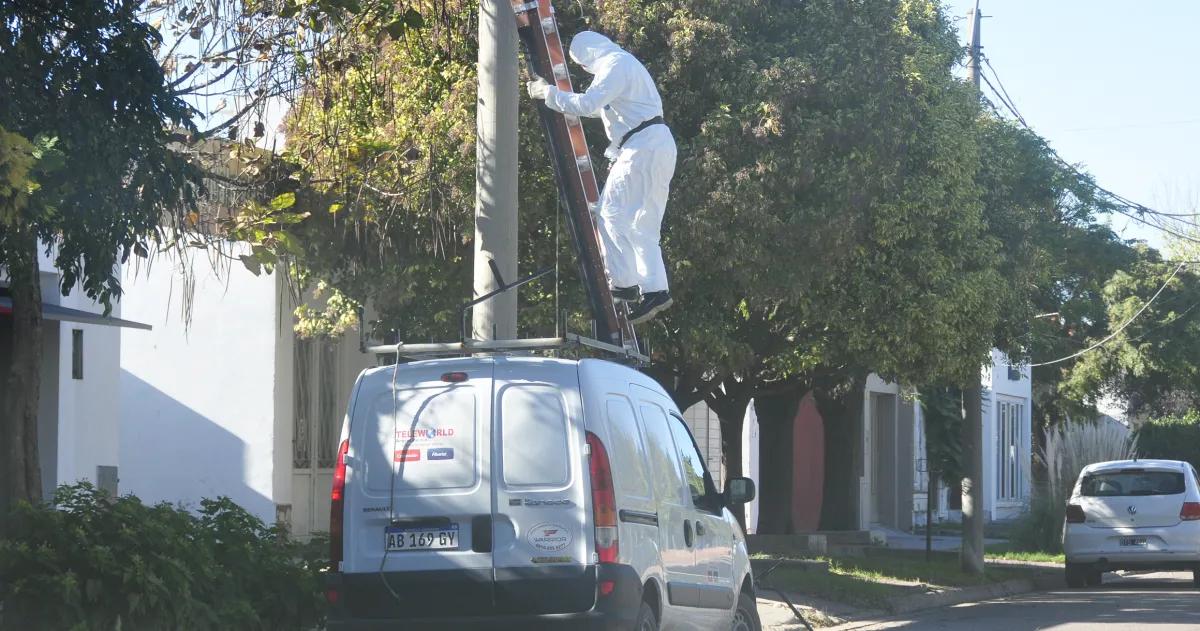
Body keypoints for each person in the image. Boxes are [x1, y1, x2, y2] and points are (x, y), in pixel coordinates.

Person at [527, 31, 676, 325]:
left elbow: (587, 105)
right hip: (657, 145)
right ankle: (656, 291)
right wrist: (560, 97)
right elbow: (600, 108)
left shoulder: (613, 64)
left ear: (588, 56)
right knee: (642, 225)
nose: (584, 69)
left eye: (582, 64)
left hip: (641, 147)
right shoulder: (626, 65)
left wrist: (548, 93)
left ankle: (624, 284)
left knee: (610, 213)